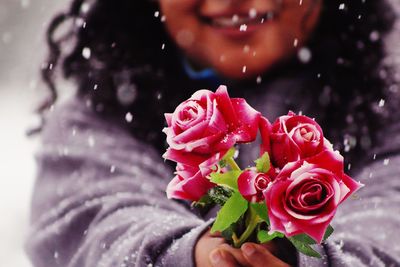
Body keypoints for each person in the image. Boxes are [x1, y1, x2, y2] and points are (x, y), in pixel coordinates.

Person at [26, 0, 400, 266]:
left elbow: (390, 226)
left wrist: (299, 259)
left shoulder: (390, 111)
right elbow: (94, 225)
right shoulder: (98, 116)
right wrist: (193, 254)